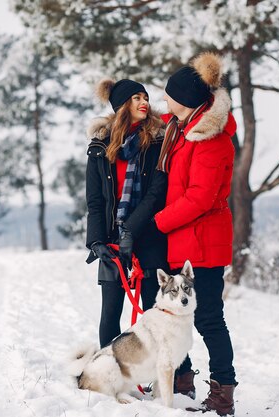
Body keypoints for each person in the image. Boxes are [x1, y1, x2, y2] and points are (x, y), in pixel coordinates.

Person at [150, 52, 238, 416]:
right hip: (186, 241)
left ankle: (222, 392)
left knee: (208, 318)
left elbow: (200, 197)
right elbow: (154, 120)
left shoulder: (209, 139)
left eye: (169, 94)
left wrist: (159, 222)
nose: (163, 101)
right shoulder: (183, 127)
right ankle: (182, 380)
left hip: (202, 242)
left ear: (183, 100)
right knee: (179, 318)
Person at [85, 78, 168, 349]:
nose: (145, 102)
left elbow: (156, 193)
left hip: (149, 236)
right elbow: (95, 201)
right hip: (111, 241)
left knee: (152, 315)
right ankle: (109, 375)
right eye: (137, 98)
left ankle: (157, 376)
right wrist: (96, 242)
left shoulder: (156, 141)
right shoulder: (99, 147)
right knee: (110, 314)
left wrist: (131, 231)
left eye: (145, 97)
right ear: (123, 105)